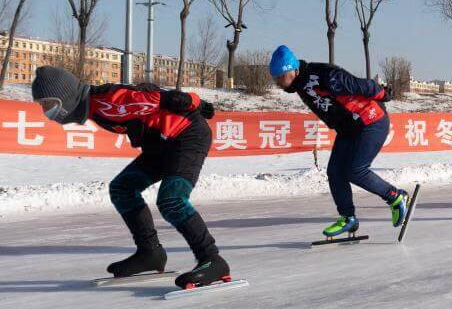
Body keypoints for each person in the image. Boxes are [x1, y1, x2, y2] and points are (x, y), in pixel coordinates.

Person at [30, 66, 228, 289]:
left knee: (171, 199)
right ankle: (150, 252)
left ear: (65, 96)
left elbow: (168, 98)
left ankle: (212, 259)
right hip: (162, 146)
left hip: (188, 136)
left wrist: (198, 103)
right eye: (42, 105)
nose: (46, 110)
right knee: (122, 188)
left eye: (48, 103)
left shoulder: (111, 100)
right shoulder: (95, 106)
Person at [268, 45, 407, 237]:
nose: (279, 83)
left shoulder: (324, 75)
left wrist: (382, 93)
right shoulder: (300, 83)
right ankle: (348, 218)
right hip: (349, 129)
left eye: (282, 77)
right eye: (276, 79)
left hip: (370, 120)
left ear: (294, 69)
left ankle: (395, 196)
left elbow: (359, 84)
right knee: (335, 172)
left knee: (355, 170)